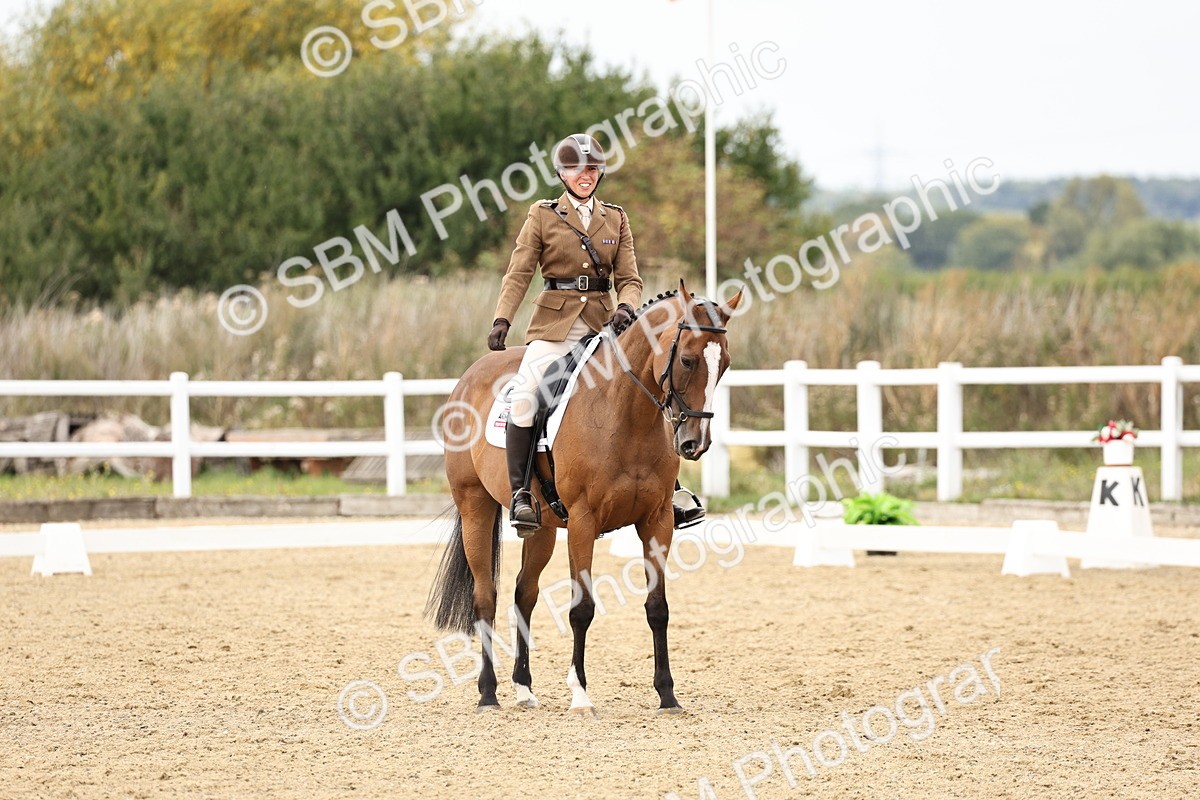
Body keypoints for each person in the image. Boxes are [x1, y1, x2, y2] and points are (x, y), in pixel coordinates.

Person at [488, 133, 703, 534]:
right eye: (575, 169)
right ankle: (521, 493)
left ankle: (669, 488)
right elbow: (519, 273)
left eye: (590, 170)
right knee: (526, 393)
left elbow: (631, 278)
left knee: (648, 389)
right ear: (561, 173)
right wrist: (503, 318)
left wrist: (626, 306)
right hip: (555, 326)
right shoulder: (543, 214)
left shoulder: (616, 217)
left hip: (606, 326)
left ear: (599, 173)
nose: (583, 176)